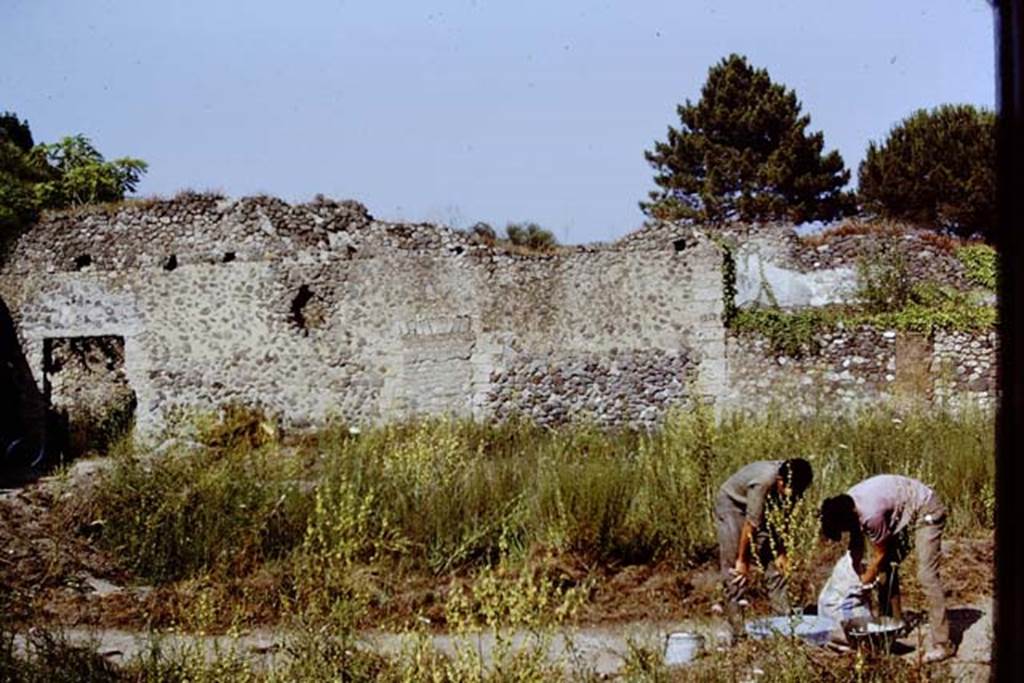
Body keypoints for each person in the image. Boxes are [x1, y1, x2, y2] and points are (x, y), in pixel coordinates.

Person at [820, 474, 952, 663]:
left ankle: (943, 644)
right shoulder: (847, 505)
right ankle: (894, 627)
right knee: (887, 571)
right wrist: (855, 575)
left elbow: (880, 554)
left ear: (848, 519)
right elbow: (856, 546)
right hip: (903, 512)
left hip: (926, 508)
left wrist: (865, 579)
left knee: (926, 575)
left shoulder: (870, 514)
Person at [714, 458, 813, 635]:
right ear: (780, 481)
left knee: (777, 566)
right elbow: (751, 523)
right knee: (735, 571)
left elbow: (785, 518)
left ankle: (784, 626)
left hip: (763, 504)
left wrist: (781, 550)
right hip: (733, 504)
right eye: (789, 491)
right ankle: (738, 633)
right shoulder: (763, 482)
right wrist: (742, 560)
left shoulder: (795, 483)